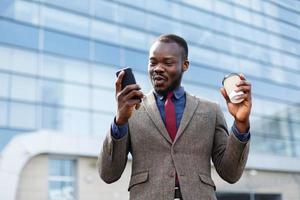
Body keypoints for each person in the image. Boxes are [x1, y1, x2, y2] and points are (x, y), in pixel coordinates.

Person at [98, 34, 252, 200]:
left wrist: (241, 124)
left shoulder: (210, 110)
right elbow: (109, 174)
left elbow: (230, 173)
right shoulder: (131, 110)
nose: (157, 68)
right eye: (153, 62)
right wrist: (120, 121)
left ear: (184, 65)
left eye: (168, 62)